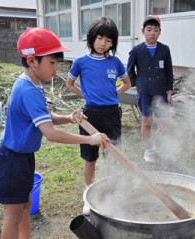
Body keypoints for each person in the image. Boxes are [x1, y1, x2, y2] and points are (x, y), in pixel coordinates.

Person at [0, 27, 110, 239]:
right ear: (31, 61)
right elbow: (51, 133)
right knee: (13, 214)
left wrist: (68, 117)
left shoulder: (33, 83)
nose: (56, 68)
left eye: (57, 62)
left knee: (25, 206)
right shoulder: (27, 89)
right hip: (11, 160)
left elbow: (45, 117)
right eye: (52, 62)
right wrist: (90, 139)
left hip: (23, 156)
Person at [66, 17, 131, 215]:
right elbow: (70, 84)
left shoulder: (115, 62)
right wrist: (87, 96)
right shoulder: (81, 62)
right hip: (90, 114)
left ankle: (114, 195)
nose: (104, 44)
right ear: (92, 37)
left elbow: (126, 83)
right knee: (90, 157)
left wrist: (114, 96)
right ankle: (89, 194)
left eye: (109, 40)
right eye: (100, 38)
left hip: (112, 113)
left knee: (112, 155)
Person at [127, 15, 173, 163]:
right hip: (145, 92)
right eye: (149, 29)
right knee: (147, 122)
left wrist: (169, 91)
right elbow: (129, 71)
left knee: (163, 123)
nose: (152, 32)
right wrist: (138, 84)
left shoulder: (164, 50)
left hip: (161, 91)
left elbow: (169, 71)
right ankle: (148, 150)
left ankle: (158, 148)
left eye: (155, 30)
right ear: (143, 31)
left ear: (160, 32)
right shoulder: (137, 50)